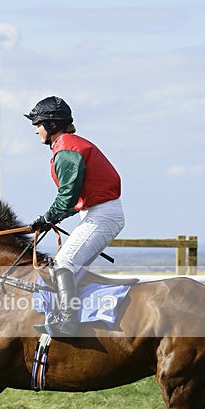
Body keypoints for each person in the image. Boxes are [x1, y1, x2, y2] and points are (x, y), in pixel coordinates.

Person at [25, 96, 124, 336]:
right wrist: (49, 219)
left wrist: (48, 217)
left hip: (101, 215)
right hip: (95, 212)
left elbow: (68, 196)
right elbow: (73, 200)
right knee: (66, 269)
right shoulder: (67, 145)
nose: (36, 130)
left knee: (63, 264)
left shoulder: (67, 149)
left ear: (51, 125)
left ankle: (67, 323)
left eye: (38, 124)